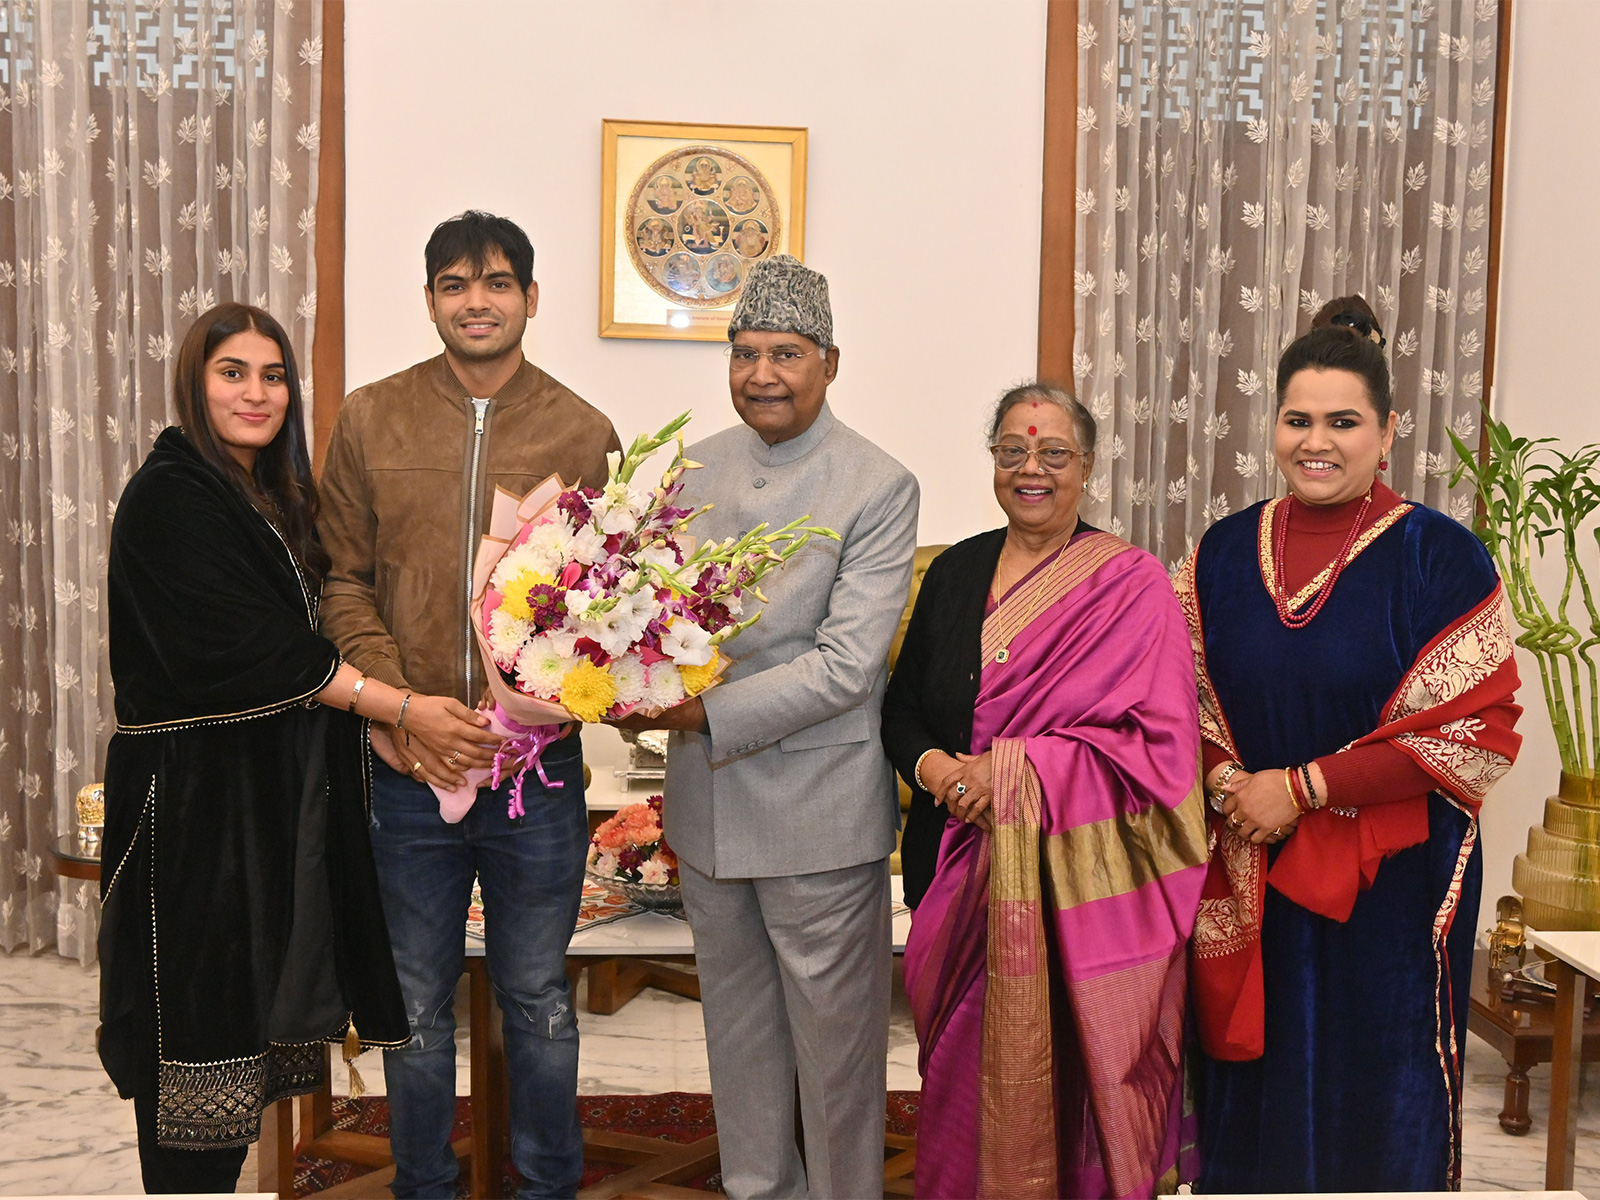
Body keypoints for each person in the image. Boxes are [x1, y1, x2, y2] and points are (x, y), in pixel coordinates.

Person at [99, 304, 480, 1191]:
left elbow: (319, 623)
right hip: (194, 813)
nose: (256, 393)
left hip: (265, 799)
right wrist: (401, 707)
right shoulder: (171, 494)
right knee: (195, 1054)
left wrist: (382, 725)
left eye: (273, 376)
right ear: (196, 381)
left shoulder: (268, 495)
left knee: (248, 1044)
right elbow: (258, 649)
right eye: (233, 372)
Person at [1181, 296, 1523, 1192]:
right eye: (1298, 419)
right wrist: (1231, 790)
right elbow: (1184, 698)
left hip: (1391, 884)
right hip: (1248, 859)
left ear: (1387, 429)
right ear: (1274, 425)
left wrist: (1296, 790)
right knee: (1250, 1080)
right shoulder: (1220, 551)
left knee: (1376, 1080)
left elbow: (1473, 729)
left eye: (1344, 421)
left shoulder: (1441, 556)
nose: (1316, 441)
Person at [318, 212, 621, 1200]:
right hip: (410, 769)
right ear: (431, 300)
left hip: (537, 772)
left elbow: (609, 608)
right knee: (411, 1003)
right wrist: (401, 711)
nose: (476, 300)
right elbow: (340, 580)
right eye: (454, 284)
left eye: (496, 283)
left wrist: (546, 704)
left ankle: (547, 1189)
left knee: (537, 998)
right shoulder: (371, 419)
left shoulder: (582, 432)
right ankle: (422, 1188)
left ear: (531, 299)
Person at [615, 255, 919, 1199]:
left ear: (831, 360)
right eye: (745, 353)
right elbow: (644, 619)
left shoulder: (878, 484)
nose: (762, 375)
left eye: (785, 354)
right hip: (707, 812)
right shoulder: (691, 468)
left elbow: (846, 666)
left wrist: (697, 711)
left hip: (818, 818)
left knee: (834, 1062)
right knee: (738, 1040)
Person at [886, 382, 1208, 1198]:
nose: (1032, 469)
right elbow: (905, 705)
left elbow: (1161, 748)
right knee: (961, 1081)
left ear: (1087, 467)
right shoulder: (956, 570)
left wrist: (1017, 772)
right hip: (956, 872)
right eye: (1012, 451)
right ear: (993, 460)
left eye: (1053, 454)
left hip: (1084, 892)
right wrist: (941, 774)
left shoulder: (1131, 587)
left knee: (1075, 1083)